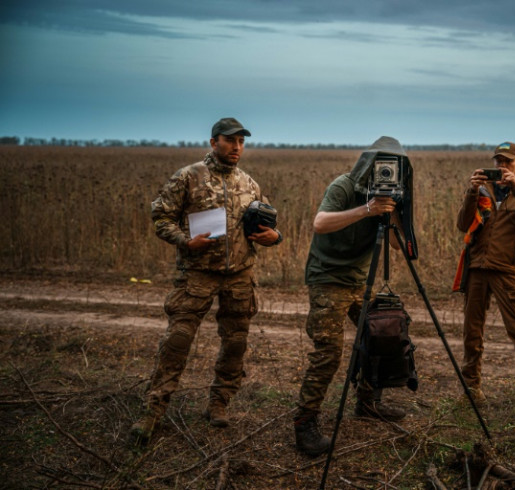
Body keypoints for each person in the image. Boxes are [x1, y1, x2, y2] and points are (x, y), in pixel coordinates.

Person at [130, 117, 283, 446]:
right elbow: (161, 217)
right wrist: (186, 241)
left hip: (240, 275)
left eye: (241, 142)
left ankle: (219, 404)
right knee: (178, 341)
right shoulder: (189, 176)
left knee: (235, 343)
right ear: (214, 142)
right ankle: (153, 411)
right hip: (197, 273)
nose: (237, 147)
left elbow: (266, 222)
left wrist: (275, 236)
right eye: (230, 141)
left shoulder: (249, 183)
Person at [294, 136, 409, 457]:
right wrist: (367, 210)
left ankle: (369, 403)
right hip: (328, 277)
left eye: (392, 167)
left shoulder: (394, 193)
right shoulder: (343, 187)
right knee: (329, 352)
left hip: (362, 279)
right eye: (380, 166)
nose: (385, 172)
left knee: (380, 338)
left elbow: (401, 248)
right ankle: (305, 422)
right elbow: (320, 223)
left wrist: (395, 213)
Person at [453, 141, 515, 425]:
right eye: (498, 162)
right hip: (477, 271)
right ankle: (472, 392)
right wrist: (472, 191)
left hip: (509, 273)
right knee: (472, 335)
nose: (502, 167)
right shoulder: (483, 190)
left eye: (508, 162)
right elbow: (462, 224)